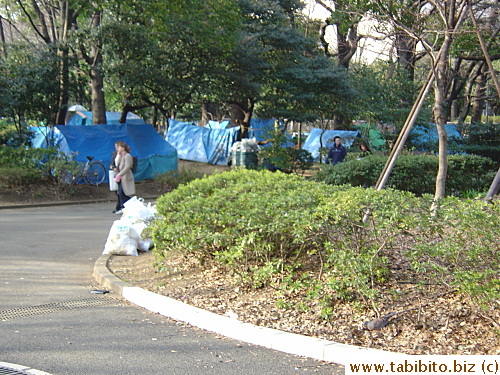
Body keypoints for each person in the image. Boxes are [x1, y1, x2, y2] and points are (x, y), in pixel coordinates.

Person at [111, 141, 136, 214]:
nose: (117, 149)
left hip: (125, 176)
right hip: (121, 177)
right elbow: (117, 163)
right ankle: (122, 207)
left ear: (123, 148)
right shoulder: (120, 155)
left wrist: (120, 174)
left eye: (118, 147)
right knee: (120, 193)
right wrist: (118, 155)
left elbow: (128, 166)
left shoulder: (127, 156)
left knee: (125, 192)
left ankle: (125, 207)